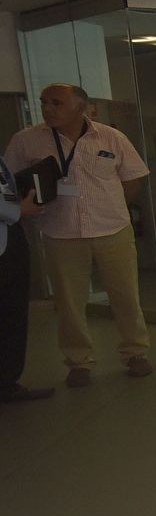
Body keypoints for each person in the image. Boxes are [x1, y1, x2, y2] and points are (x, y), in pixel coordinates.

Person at [3, 83, 152, 387]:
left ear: (80, 107)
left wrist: (112, 205)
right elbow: (7, 182)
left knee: (125, 296)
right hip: (61, 232)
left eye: (56, 103)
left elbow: (134, 179)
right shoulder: (26, 140)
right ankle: (78, 361)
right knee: (69, 302)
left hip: (112, 229)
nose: (48, 108)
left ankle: (135, 352)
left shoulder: (111, 137)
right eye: (44, 102)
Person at [0, 155, 54, 402]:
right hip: (9, 223)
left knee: (13, 312)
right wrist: (17, 209)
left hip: (11, 236)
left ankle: (8, 382)